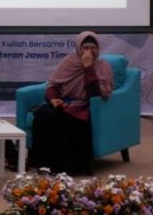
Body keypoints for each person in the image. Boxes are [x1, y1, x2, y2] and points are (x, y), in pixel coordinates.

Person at [30, 31, 113, 176]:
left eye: (92, 48)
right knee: (43, 114)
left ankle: (66, 167)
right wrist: (53, 99)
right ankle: (44, 164)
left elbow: (96, 93)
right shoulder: (69, 62)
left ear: (98, 49)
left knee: (66, 120)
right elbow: (53, 85)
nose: (88, 51)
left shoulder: (102, 66)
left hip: (85, 106)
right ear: (78, 48)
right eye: (85, 48)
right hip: (65, 102)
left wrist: (88, 67)